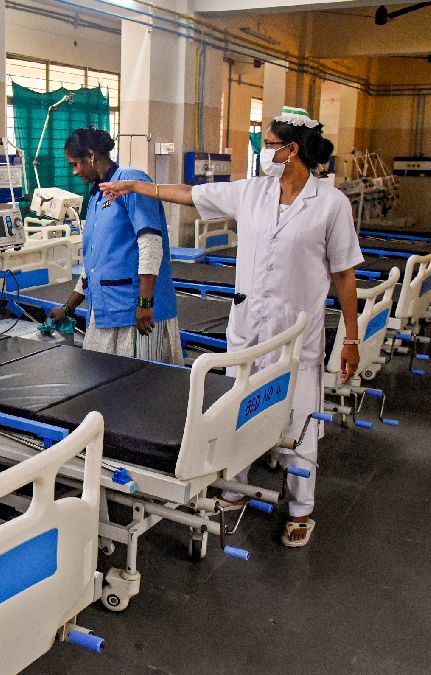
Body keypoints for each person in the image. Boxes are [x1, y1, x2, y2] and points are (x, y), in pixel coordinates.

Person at [98, 106, 365, 547]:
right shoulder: (253, 192)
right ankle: (235, 490)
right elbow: (189, 194)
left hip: (296, 337)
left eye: (269, 143)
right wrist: (134, 185)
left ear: (291, 150)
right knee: (239, 412)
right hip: (247, 330)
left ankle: (300, 508)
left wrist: (351, 337)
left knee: (298, 422)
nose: (263, 150)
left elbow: (344, 274)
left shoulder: (330, 204)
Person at [46, 127, 182, 364]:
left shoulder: (132, 181)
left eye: (75, 164)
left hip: (137, 314)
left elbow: (151, 243)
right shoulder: (97, 196)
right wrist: (67, 308)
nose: (75, 171)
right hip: (106, 310)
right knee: (103, 379)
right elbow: (94, 266)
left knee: (143, 381)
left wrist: (145, 302)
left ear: (90, 155)